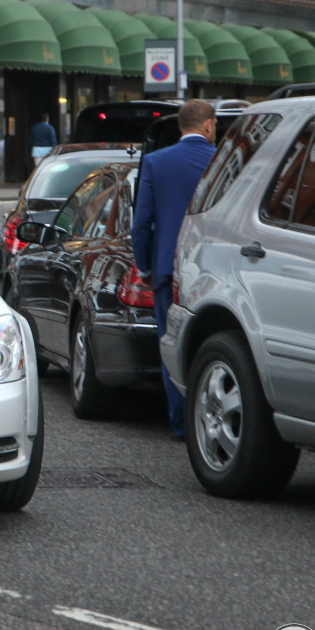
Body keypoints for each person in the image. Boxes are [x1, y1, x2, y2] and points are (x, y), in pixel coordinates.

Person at [130, 98, 218, 441]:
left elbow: (142, 224)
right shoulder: (223, 161)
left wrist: (146, 266)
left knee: (172, 341)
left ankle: (181, 423)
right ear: (209, 125)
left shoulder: (155, 162)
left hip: (169, 268)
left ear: (181, 126)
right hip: (214, 267)